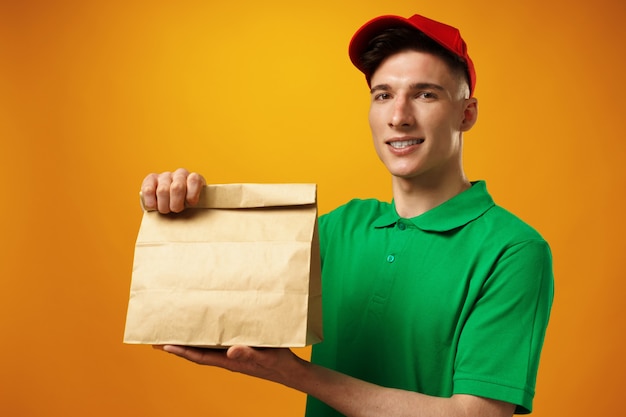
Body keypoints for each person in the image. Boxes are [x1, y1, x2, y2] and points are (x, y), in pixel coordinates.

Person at [141, 14, 554, 417]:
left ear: (467, 113)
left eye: (425, 94)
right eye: (383, 94)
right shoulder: (339, 228)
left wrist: (296, 374)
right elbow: (217, 296)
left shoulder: (513, 250)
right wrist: (180, 207)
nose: (399, 116)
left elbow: (475, 415)